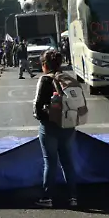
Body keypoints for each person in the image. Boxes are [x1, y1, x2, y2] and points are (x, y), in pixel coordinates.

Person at [32, 50, 78, 208]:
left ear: (45, 65)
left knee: (50, 162)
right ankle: (73, 197)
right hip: (69, 125)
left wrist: (41, 116)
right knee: (68, 161)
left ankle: (47, 197)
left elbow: (37, 108)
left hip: (50, 127)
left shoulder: (45, 80)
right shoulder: (68, 78)